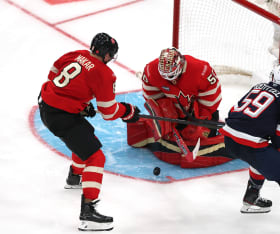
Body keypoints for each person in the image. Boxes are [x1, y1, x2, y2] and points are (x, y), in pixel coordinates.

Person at [38, 32, 140, 231]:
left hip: (45, 105)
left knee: (85, 135)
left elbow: (53, 73)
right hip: (61, 117)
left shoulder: (75, 54)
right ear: (107, 54)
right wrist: (127, 111)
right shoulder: (104, 73)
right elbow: (108, 111)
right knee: (96, 157)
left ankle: (74, 177)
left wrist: (78, 103)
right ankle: (88, 213)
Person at [219, 63, 280, 233]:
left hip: (229, 138)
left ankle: (251, 199)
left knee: (259, 159)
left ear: (273, 76)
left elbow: (233, 111)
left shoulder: (258, 86)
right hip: (250, 145)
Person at [127, 47, 232, 168]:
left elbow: (213, 97)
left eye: (172, 75)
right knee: (164, 127)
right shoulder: (151, 70)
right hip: (175, 109)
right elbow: (151, 95)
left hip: (196, 109)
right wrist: (163, 111)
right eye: (165, 77)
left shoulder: (201, 70)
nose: (171, 80)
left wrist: (201, 117)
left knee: (198, 134)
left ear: (180, 65)